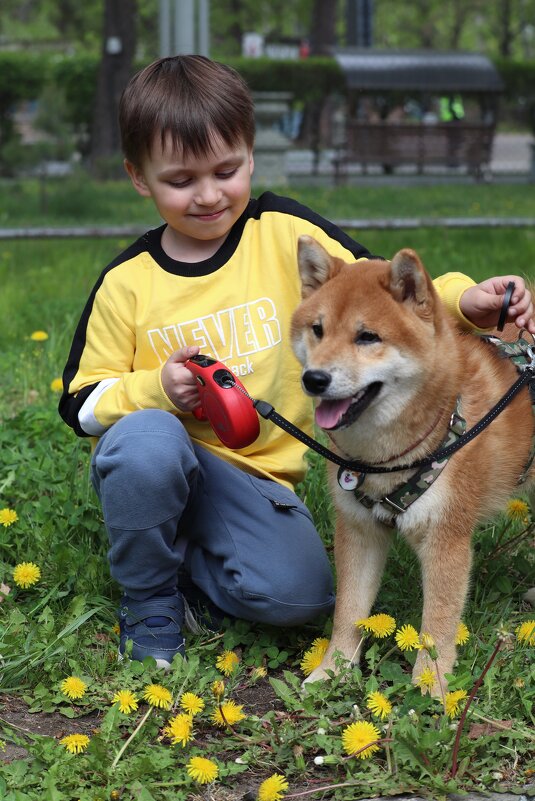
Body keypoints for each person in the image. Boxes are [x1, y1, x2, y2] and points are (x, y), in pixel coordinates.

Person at [59, 55, 535, 670]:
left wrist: (466, 301)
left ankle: (196, 572)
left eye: (226, 171)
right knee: (148, 444)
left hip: (256, 483)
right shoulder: (125, 282)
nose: (208, 194)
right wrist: (156, 389)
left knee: (297, 596)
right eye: (181, 180)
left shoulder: (282, 231)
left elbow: (379, 287)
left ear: (251, 158)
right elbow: (79, 402)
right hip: (162, 459)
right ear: (138, 176)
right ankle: (151, 599)